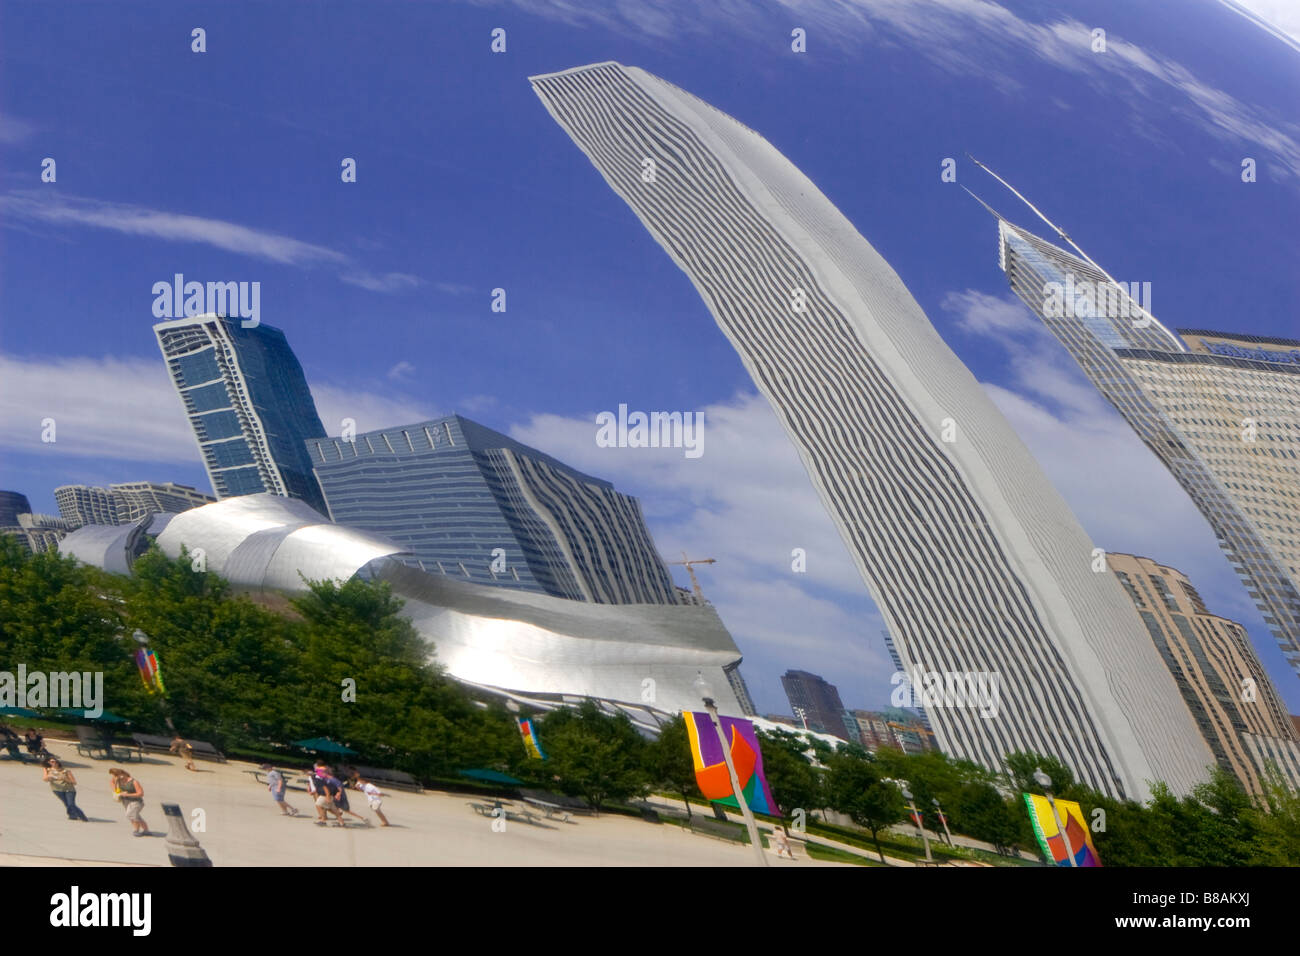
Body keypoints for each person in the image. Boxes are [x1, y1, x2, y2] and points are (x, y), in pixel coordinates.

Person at [109, 768, 150, 836]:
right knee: (136, 816)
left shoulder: (134, 782)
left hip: (136, 802)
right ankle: (146, 830)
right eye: (114, 776)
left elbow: (141, 793)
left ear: (123, 774)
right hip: (126, 802)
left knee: (130, 815)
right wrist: (116, 791)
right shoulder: (117, 779)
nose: (117, 778)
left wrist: (127, 794)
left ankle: (136, 830)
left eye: (117, 775)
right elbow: (111, 782)